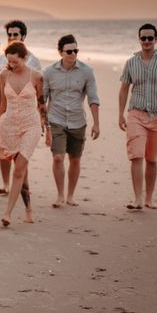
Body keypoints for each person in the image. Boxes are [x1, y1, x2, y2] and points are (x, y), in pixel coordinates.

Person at [119, 23, 157, 210]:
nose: (146, 41)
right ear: (139, 39)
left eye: (150, 38)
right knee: (136, 155)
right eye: (143, 38)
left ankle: (149, 199)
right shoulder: (131, 63)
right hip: (136, 114)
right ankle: (138, 199)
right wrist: (120, 114)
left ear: (156, 39)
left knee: (151, 159)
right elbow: (123, 90)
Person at [0, 41, 47, 226]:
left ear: (25, 58)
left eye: (15, 62)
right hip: (11, 124)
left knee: (19, 169)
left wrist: (49, 130)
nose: (11, 65)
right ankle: (29, 208)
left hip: (31, 125)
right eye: (9, 61)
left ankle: (8, 213)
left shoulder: (37, 76)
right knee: (21, 170)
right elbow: (2, 105)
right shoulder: (4, 74)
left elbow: (42, 105)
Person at [43, 34, 100, 208]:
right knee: (58, 158)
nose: (73, 54)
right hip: (56, 119)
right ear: (60, 52)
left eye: (75, 50)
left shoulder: (87, 71)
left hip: (78, 121)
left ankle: (70, 196)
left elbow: (93, 98)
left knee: (75, 159)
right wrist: (46, 126)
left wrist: (96, 123)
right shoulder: (49, 72)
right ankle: (60, 195)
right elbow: (43, 100)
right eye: (69, 51)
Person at [0, 20, 41, 196]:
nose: (12, 37)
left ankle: (21, 185)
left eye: (15, 34)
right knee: (5, 151)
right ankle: (6, 184)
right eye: (9, 34)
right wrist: (0, 115)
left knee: (22, 154)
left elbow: (37, 90)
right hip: (8, 111)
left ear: (23, 36)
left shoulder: (33, 60)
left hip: (26, 115)